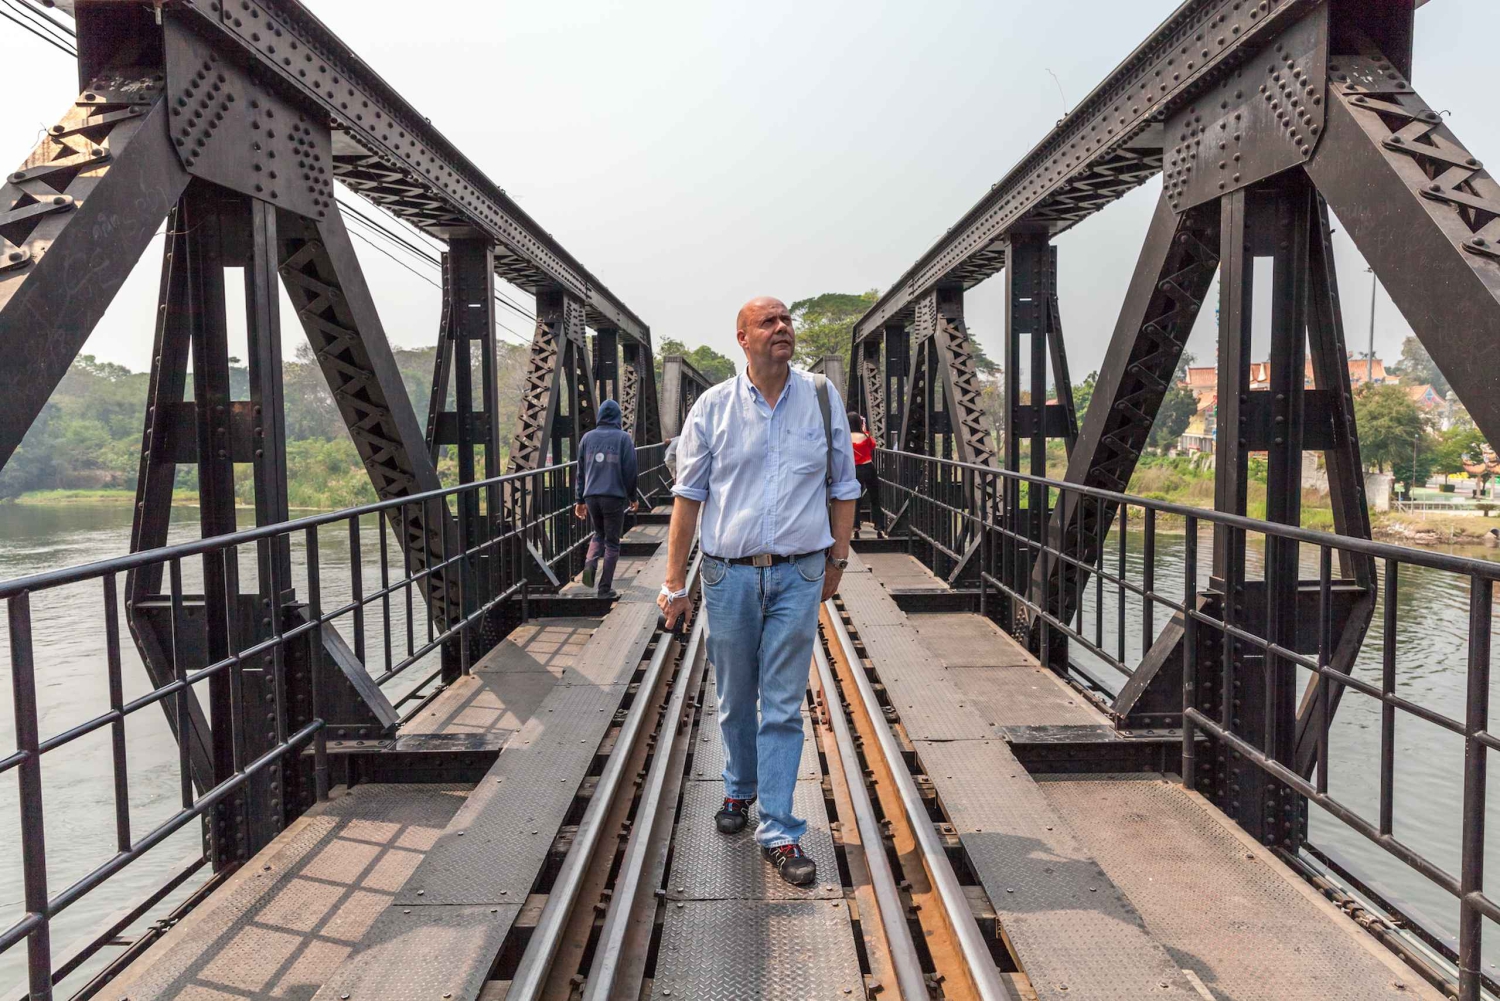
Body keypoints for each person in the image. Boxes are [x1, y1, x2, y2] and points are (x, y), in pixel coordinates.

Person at [658, 297, 859, 887]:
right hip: (728, 574)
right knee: (733, 695)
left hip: (799, 572)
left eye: (786, 320)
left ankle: (779, 829)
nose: (782, 329)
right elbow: (687, 499)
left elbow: (844, 485)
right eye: (768, 322)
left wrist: (838, 559)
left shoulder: (821, 399)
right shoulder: (713, 408)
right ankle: (738, 789)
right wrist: (674, 583)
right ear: (741, 337)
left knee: (781, 702)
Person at [574, 399, 639, 600]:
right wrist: (633, 496)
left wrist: (579, 500)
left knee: (598, 534)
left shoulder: (587, 438)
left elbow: (580, 471)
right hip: (614, 496)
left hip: (591, 496)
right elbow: (630, 470)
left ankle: (589, 569)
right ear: (617, 417)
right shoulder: (623, 438)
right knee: (612, 542)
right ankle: (604, 588)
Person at [848, 410, 884, 539]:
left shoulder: (846, 438)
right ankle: (879, 526)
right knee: (875, 498)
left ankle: (856, 526)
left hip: (855, 470)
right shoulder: (866, 436)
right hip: (869, 468)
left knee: (856, 499)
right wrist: (864, 430)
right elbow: (873, 446)